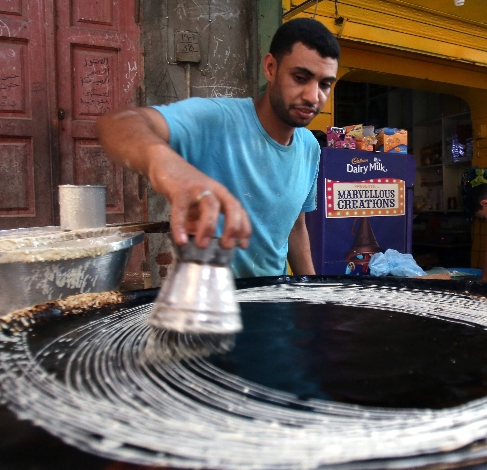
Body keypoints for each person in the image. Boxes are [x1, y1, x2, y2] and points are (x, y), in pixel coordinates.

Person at [98, 18, 339, 276]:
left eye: (324, 84)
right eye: (300, 78)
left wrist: (312, 294)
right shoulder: (216, 120)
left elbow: (295, 227)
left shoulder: (310, 147)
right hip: (205, 305)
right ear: (270, 68)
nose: (314, 97)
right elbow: (117, 125)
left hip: (272, 302)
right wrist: (168, 167)